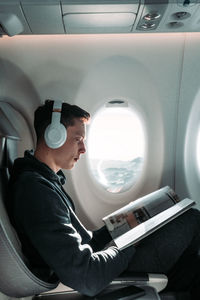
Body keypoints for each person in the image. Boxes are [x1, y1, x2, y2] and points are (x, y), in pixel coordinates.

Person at [8, 100, 200, 299]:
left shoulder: (44, 181)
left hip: (98, 260)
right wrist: (128, 243)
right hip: (98, 275)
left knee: (189, 255)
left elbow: (83, 242)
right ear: (54, 136)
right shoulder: (36, 191)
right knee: (192, 221)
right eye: (78, 139)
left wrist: (121, 225)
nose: (83, 149)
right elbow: (85, 275)